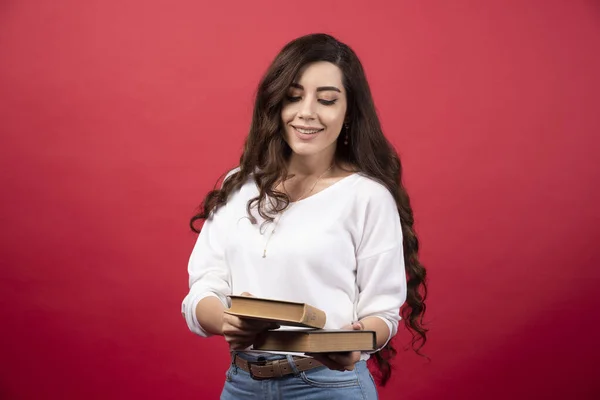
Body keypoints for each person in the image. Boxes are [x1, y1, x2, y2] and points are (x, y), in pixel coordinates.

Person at [181, 33, 427, 399]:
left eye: (327, 99)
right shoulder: (239, 185)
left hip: (328, 385)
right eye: (294, 97)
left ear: (349, 112)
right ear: (276, 104)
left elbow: (383, 314)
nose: (307, 112)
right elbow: (203, 287)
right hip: (242, 385)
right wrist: (226, 321)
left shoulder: (367, 197)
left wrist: (354, 341)